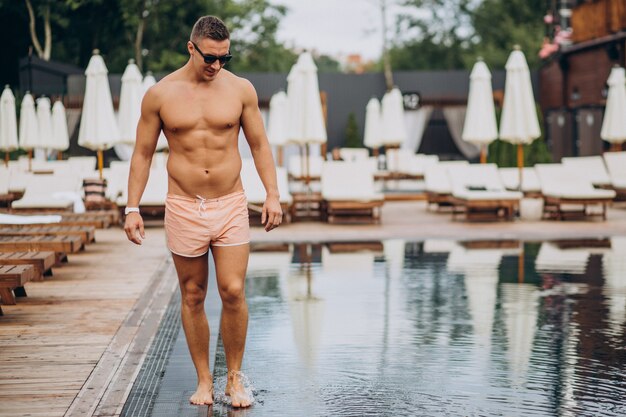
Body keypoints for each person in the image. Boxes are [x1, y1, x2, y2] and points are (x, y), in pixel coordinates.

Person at [124, 15, 282, 408]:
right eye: (210, 58)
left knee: (232, 290)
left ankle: (233, 380)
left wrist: (274, 194)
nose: (217, 66)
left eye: (225, 58)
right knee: (193, 294)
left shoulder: (241, 90)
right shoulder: (160, 94)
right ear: (191, 47)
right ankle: (204, 381)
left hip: (230, 202)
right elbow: (142, 153)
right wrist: (132, 207)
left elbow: (260, 145)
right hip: (182, 205)